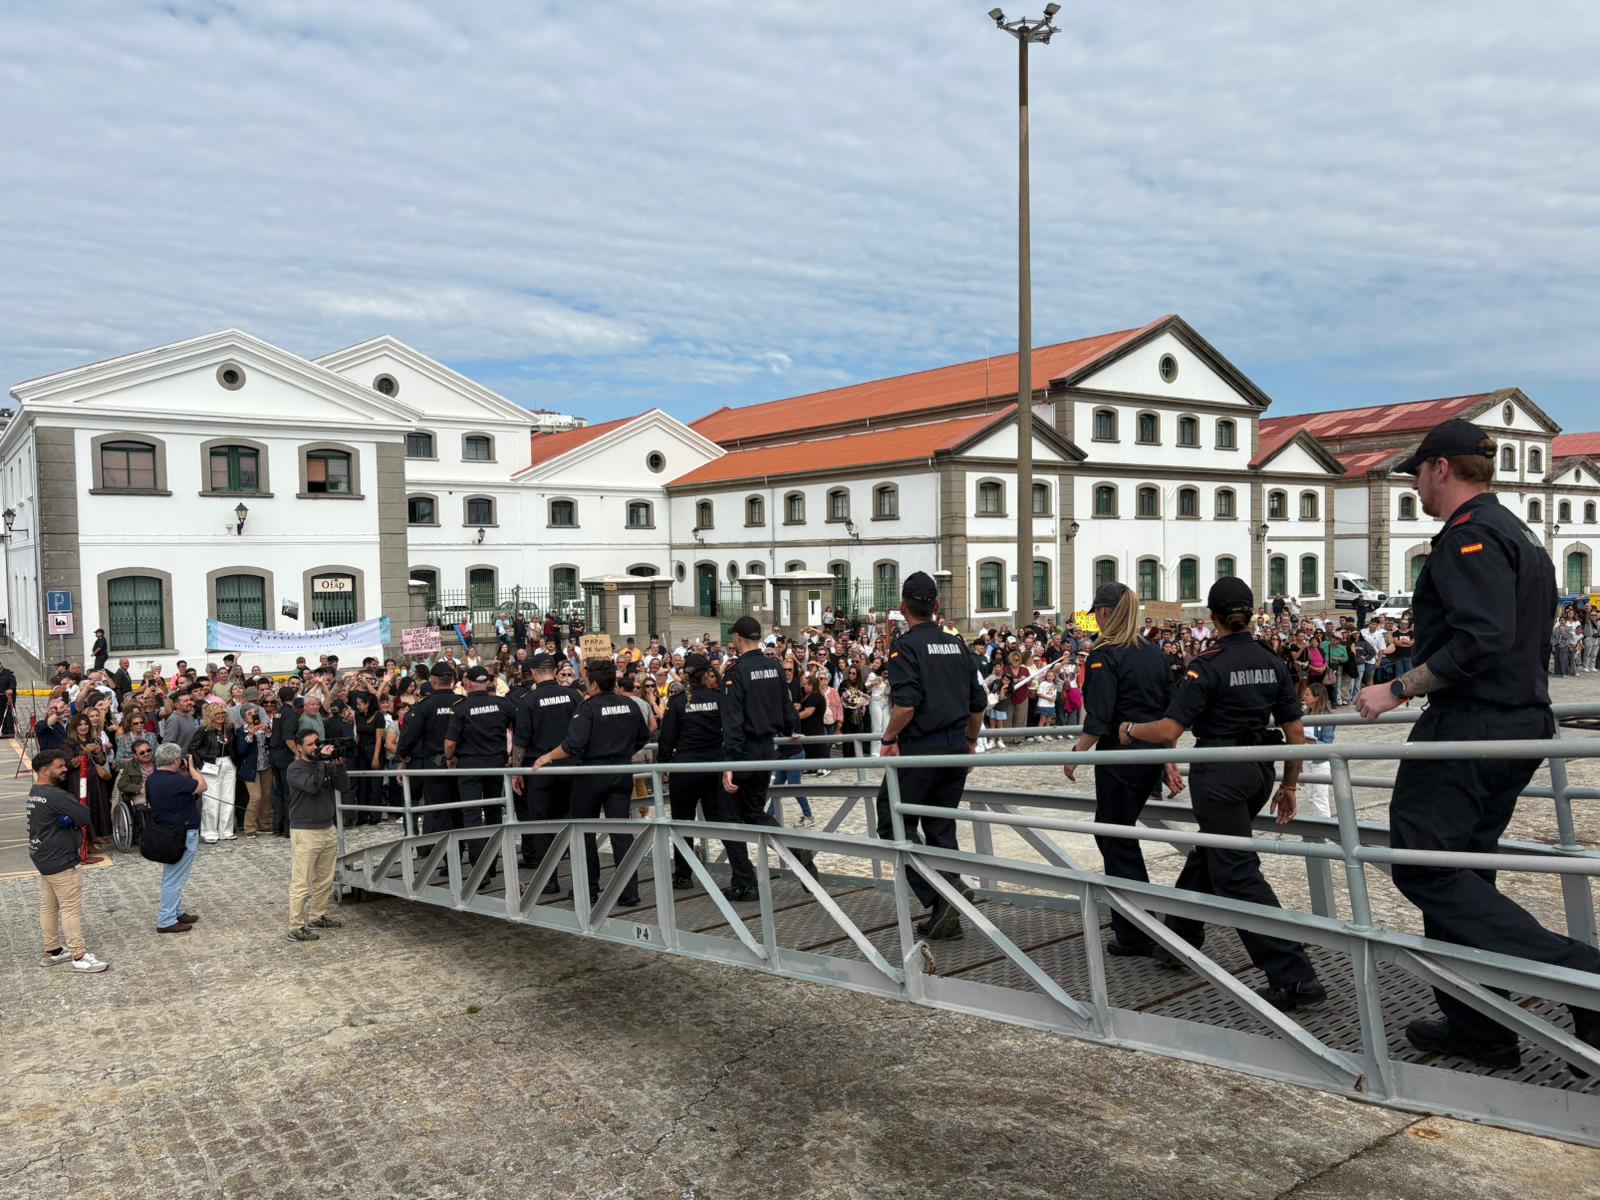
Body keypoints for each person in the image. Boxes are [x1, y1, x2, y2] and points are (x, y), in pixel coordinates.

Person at [1355, 417, 1600, 1067]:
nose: (1413, 485)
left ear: (1442, 469)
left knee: (1420, 859)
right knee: (1461, 873)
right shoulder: (1519, 532)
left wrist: (1398, 688)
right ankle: (1478, 1023)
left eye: (1417, 473)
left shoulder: (1469, 537)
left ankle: (1585, 976)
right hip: (1515, 722)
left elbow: (1483, 639)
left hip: (1474, 724)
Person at [1121, 576, 1326, 1011]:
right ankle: (1178, 937)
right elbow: (1295, 732)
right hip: (1258, 774)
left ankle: (1294, 976)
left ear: (1211, 617)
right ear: (1249, 614)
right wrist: (1290, 785)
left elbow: (1169, 729)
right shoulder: (1271, 661)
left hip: (1220, 777)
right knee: (1210, 854)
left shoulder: (1207, 663)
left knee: (1236, 872)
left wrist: (1129, 730)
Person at [1063, 582, 1184, 958]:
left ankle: (1135, 930)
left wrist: (1075, 753)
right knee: (1121, 837)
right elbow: (1168, 713)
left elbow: (1099, 716)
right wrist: (1168, 759)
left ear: (1103, 612)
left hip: (1120, 754)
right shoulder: (1153, 652)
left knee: (1115, 838)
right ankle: (1138, 921)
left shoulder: (1104, 654)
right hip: (1148, 755)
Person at [874, 572, 989, 939]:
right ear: (937, 607)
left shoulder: (904, 647)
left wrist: (889, 736)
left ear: (903, 608)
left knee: (893, 821)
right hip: (955, 747)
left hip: (921, 750)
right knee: (940, 828)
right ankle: (947, 905)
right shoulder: (957, 645)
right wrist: (970, 743)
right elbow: (978, 705)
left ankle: (942, 892)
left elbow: (906, 707)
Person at [532, 659, 648, 908]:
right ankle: (629, 892)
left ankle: (588, 888)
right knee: (621, 832)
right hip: (621, 772)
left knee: (584, 832)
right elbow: (643, 737)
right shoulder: (629, 705)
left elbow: (573, 744)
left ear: (593, 683)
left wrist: (547, 756)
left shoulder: (588, 708)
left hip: (591, 775)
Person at [716, 616, 816, 902]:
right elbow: (785, 707)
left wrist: (729, 766)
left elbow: (733, 723)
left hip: (745, 751)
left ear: (737, 637)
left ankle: (745, 882)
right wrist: (792, 729)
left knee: (728, 817)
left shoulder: (736, 671)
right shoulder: (773, 667)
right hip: (766, 750)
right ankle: (794, 851)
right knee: (755, 812)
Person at [28, 748, 109, 972]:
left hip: (42, 856)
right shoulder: (57, 795)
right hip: (61, 858)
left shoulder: (35, 791)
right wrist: (70, 819)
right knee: (70, 907)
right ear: (45, 770)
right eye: (60, 766)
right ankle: (79, 955)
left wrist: (66, 819)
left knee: (49, 905)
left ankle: (53, 950)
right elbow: (83, 815)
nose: (65, 769)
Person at [444, 665, 528, 873]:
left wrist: (449, 758)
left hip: (469, 766)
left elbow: (449, 744)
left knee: (471, 815)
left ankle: (478, 867)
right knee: (493, 813)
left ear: (469, 683)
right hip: (496, 764)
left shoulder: (461, 707)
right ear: (488, 682)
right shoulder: (503, 704)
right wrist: (513, 757)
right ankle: (491, 864)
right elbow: (519, 731)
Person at [517, 652, 584, 894]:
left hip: (540, 769)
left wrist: (516, 772)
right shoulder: (573, 696)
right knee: (573, 824)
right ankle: (582, 882)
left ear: (533, 673)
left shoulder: (527, 700)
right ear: (555, 672)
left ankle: (549, 880)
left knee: (542, 826)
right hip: (570, 767)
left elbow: (520, 741)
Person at [657, 653, 722, 889]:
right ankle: (741, 872)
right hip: (715, 765)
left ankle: (683, 875)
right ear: (707, 674)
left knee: (682, 822)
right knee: (725, 821)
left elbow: (666, 741)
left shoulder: (677, 702)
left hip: (684, 768)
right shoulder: (718, 698)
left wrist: (664, 766)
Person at [284, 729, 349, 941]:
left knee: (325, 879)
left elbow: (344, 786)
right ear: (300, 747)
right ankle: (295, 927)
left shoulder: (324, 766)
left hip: (327, 828)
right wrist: (323, 763)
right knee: (301, 881)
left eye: (316, 743)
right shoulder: (295, 769)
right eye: (310, 744)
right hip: (305, 831)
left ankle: (317, 916)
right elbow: (311, 786)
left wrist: (338, 765)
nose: (315, 747)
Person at [397, 662, 462, 862]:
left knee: (437, 811)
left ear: (433, 682)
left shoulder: (424, 707)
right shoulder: (462, 701)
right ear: (452, 681)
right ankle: (460, 852)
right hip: (461, 764)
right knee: (460, 808)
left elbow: (408, 736)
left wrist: (403, 755)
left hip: (434, 766)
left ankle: (446, 859)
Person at [145, 742, 206, 934]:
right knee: (174, 878)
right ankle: (166, 919)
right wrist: (192, 768)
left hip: (167, 832)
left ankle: (177, 911)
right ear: (175, 761)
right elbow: (202, 785)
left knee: (173, 874)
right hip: (182, 833)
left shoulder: (153, 778)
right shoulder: (175, 780)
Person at [187, 702, 235, 844]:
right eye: (217, 714)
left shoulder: (229, 728)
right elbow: (193, 748)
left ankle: (226, 830)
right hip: (210, 764)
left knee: (228, 798)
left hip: (228, 763)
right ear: (210, 715)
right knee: (211, 800)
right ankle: (209, 832)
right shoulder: (203, 730)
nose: (220, 716)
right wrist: (201, 765)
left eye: (222, 713)